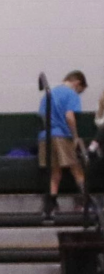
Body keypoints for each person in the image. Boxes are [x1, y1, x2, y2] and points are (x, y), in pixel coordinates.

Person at [40, 70, 92, 220]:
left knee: (55, 172)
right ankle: (85, 201)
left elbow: (43, 116)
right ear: (77, 83)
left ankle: (52, 203)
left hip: (46, 136)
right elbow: (69, 116)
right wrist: (75, 136)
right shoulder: (71, 94)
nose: (79, 94)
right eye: (80, 90)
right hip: (62, 136)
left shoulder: (48, 94)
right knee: (77, 169)